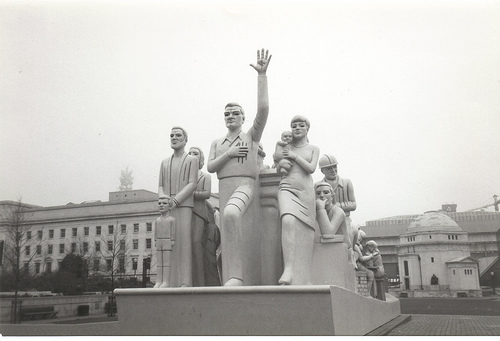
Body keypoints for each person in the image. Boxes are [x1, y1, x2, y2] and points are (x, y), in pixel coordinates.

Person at [207, 49, 272, 286]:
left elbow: (263, 111)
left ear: (243, 118)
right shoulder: (218, 143)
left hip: (246, 185)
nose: (230, 116)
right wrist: (230, 153)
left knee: (231, 214)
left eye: (235, 113)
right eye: (227, 114)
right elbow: (211, 166)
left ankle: (236, 276)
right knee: (229, 229)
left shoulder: (251, 137)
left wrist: (262, 76)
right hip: (225, 187)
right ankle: (232, 275)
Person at [275, 115, 320, 285]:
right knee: (287, 220)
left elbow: (311, 168)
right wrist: (281, 165)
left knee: (306, 233)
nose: (297, 128)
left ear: (307, 128)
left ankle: (304, 274)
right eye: (294, 125)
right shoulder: (285, 146)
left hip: (306, 192)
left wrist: (293, 156)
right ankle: (289, 269)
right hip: (287, 187)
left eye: (301, 125)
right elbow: (279, 165)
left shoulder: (313, 149)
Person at [158, 127, 198, 287]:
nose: (174, 138)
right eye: (171, 135)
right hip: (167, 207)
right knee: (168, 245)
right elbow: (160, 185)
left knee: (183, 243)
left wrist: (176, 200)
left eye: (178, 135)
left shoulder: (191, 160)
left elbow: (192, 183)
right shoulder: (164, 163)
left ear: (185, 139)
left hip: (183, 205)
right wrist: (163, 198)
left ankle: (184, 281)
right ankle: (167, 281)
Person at [188, 147, 212, 286]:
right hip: (185, 212)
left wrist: (189, 194)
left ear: (201, 158)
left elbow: (206, 194)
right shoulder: (183, 177)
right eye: (190, 153)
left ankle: (200, 282)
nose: (192, 155)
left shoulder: (205, 176)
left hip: (198, 212)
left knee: (196, 243)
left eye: (195, 153)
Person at [153, 197, 176, 288]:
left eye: (164, 203)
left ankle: (166, 281)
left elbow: (173, 231)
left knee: (166, 263)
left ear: (170, 206)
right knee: (159, 264)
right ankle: (158, 281)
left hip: (167, 241)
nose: (161, 205)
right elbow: (155, 232)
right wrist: (155, 240)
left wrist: (172, 240)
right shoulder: (157, 220)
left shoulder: (172, 220)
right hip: (159, 241)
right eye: (159, 203)